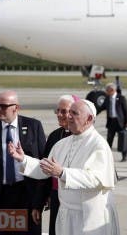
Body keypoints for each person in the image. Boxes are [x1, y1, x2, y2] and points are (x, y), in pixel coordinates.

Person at [8, 99, 120, 235]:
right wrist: (24, 159)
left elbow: (96, 179)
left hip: (91, 216)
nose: (69, 116)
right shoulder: (62, 144)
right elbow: (46, 169)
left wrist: (62, 173)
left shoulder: (98, 145)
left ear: (89, 118)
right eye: (69, 113)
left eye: (74, 113)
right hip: (66, 214)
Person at [0, 90, 46, 235]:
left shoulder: (33, 126)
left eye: (3, 106)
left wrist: (44, 195)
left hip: (27, 194)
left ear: (16, 108)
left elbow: (43, 161)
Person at [35, 94, 79, 235]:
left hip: (76, 199)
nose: (59, 115)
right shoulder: (55, 135)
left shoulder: (84, 137)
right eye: (57, 111)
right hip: (56, 196)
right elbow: (45, 171)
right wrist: (39, 203)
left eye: (63, 111)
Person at [98, 82, 127, 162]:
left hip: (120, 122)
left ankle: (124, 156)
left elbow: (125, 111)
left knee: (122, 139)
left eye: (107, 90)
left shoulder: (121, 98)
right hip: (111, 122)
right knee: (109, 140)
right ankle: (107, 156)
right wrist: (93, 112)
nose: (106, 92)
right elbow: (101, 108)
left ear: (112, 90)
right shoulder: (107, 99)